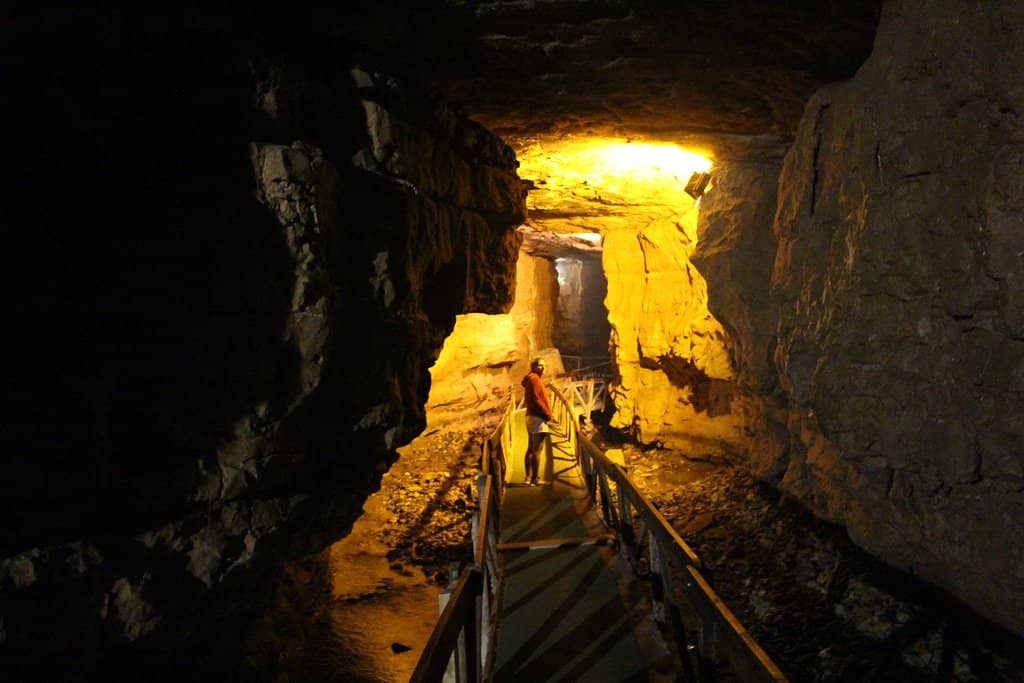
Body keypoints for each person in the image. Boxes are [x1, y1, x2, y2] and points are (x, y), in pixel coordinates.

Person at [521, 357, 553, 486]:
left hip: (531, 416)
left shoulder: (531, 378)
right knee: (537, 450)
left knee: (531, 449)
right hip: (537, 417)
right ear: (533, 367)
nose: (543, 368)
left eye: (544, 366)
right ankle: (535, 479)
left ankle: (528, 478)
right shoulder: (534, 379)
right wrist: (547, 414)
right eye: (540, 365)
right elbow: (535, 398)